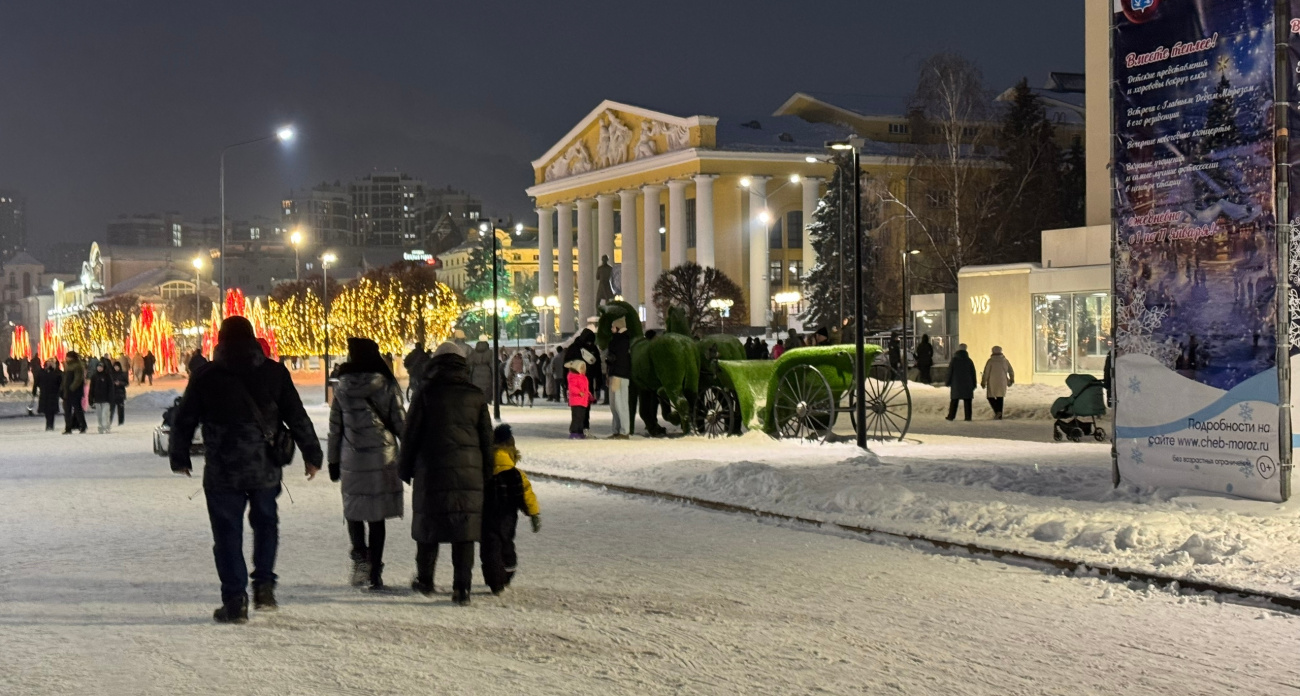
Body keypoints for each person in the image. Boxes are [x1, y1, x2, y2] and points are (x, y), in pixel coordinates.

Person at [169, 316, 324, 624]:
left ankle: (235, 599)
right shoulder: (274, 372)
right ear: (253, 339)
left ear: (221, 342)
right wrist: (312, 453)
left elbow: (184, 419)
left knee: (227, 533)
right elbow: (297, 415)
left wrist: (180, 456)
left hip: (223, 468)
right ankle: (264, 586)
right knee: (266, 523)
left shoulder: (206, 375)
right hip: (264, 465)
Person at [399, 342, 494, 606]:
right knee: (464, 530)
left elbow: (410, 435)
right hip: (469, 473)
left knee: (429, 526)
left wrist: (404, 468)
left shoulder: (425, 393)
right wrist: (488, 471)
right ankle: (461, 587)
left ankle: (425, 580)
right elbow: (486, 438)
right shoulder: (474, 395)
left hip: (432, 470)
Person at [328, 337, 406, 591]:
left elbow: (335, 429)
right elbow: (400, 423)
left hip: (352, 456)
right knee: (376, 515)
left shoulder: (342, 388)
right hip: (381, 456)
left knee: (354, 511)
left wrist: (332, 460)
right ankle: (375, 570)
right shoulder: (385, 386)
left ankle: (360, 559)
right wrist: (412, 452)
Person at [481, 424, 540, 595]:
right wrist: (534, 514)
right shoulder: (516, 474)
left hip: (486, 513)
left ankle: (494, 580)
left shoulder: (483, 470)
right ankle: (507, 570)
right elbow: (526, 494)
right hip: (508, 515)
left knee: (489, 546)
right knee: (506, 543)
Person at [606, 317, 633, 439]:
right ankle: (617, 429)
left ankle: (624, 430)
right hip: (615, 374)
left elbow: (617, 358)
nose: (611, 329)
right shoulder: (619, 340)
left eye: (613, 327)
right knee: (614, 403)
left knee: (620, 402)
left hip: (620, 375)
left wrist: (610, 361)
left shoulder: (622, 340)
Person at [980, 346, 1015, 420]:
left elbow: (986, 372)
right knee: (1000, 397)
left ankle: (997, 411)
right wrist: (1012, 379)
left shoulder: (990, 361)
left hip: (992, 381)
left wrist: (983, 381)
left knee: (990, 397)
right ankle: (999, 415)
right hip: (1002, 381)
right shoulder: (1005, 360)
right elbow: (1011, 370)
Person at [945, 343, 976, 422]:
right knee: (968, 401)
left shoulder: (954, 360)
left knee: (954, 400)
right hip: (967, 384)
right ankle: (968, 417)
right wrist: (974, 384)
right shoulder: (969, 360)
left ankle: (951, 416)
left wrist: (947, 382)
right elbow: (973, 373)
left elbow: (949, 372)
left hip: (956, 384)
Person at [61, 351, 87, 434]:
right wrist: (63, 389)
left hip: (74, 392)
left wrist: (71, 388)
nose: (66, 358)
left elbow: (78, 379)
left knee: (77, 409)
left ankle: (82, 425)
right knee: (67, 410)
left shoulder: (77, 366)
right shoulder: (68, 366)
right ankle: (68, 427)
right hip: (68, 392)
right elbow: (65, 379)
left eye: (67, 357)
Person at [34, 359, 62, 431]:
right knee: (46, 410)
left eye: (51, 363)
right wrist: (34, 390)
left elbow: (60, 383)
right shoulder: (42, 372)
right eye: (48, 363)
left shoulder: (57, 373)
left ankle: (50, 424)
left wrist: (61, 392)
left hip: (53, 394)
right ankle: (49, 424)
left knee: (51, 411)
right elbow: (37, 381)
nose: (50, 364)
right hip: (45, 393)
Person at [88, 360, 115, 433]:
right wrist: (90, 399)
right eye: (98, 367)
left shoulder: (107, 376)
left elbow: (111, 388)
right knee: (99, 415)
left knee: (105, 414)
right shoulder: (94, 376)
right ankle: (100, 426)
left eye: (101, 367)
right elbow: (91, 388)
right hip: (97, 399)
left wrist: (111, 399)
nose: (99, 368)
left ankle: (106, 426)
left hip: (106, 399)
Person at [567, 359, 591, 440]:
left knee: (582, 417)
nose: (584, 370)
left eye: (584, 368)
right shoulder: (573, 377)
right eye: (582, 368)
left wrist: (589, 395)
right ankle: (574, 431)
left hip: (583, 401)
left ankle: (580, 431)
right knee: (576, 417)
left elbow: (586, 389)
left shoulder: (584, 378)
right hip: (576, 401)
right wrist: (579, 392)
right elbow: (572, 387)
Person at [111, 361, 129, 426]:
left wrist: (120, 383)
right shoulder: (111, 374)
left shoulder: (123, 374)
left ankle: (121, 422)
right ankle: (109, 421)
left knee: (120, 409)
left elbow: (126, 383)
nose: (116, 368)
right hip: (113, 393)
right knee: (111, 409)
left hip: (120, 393)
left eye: (117, 367)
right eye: (115, 367)